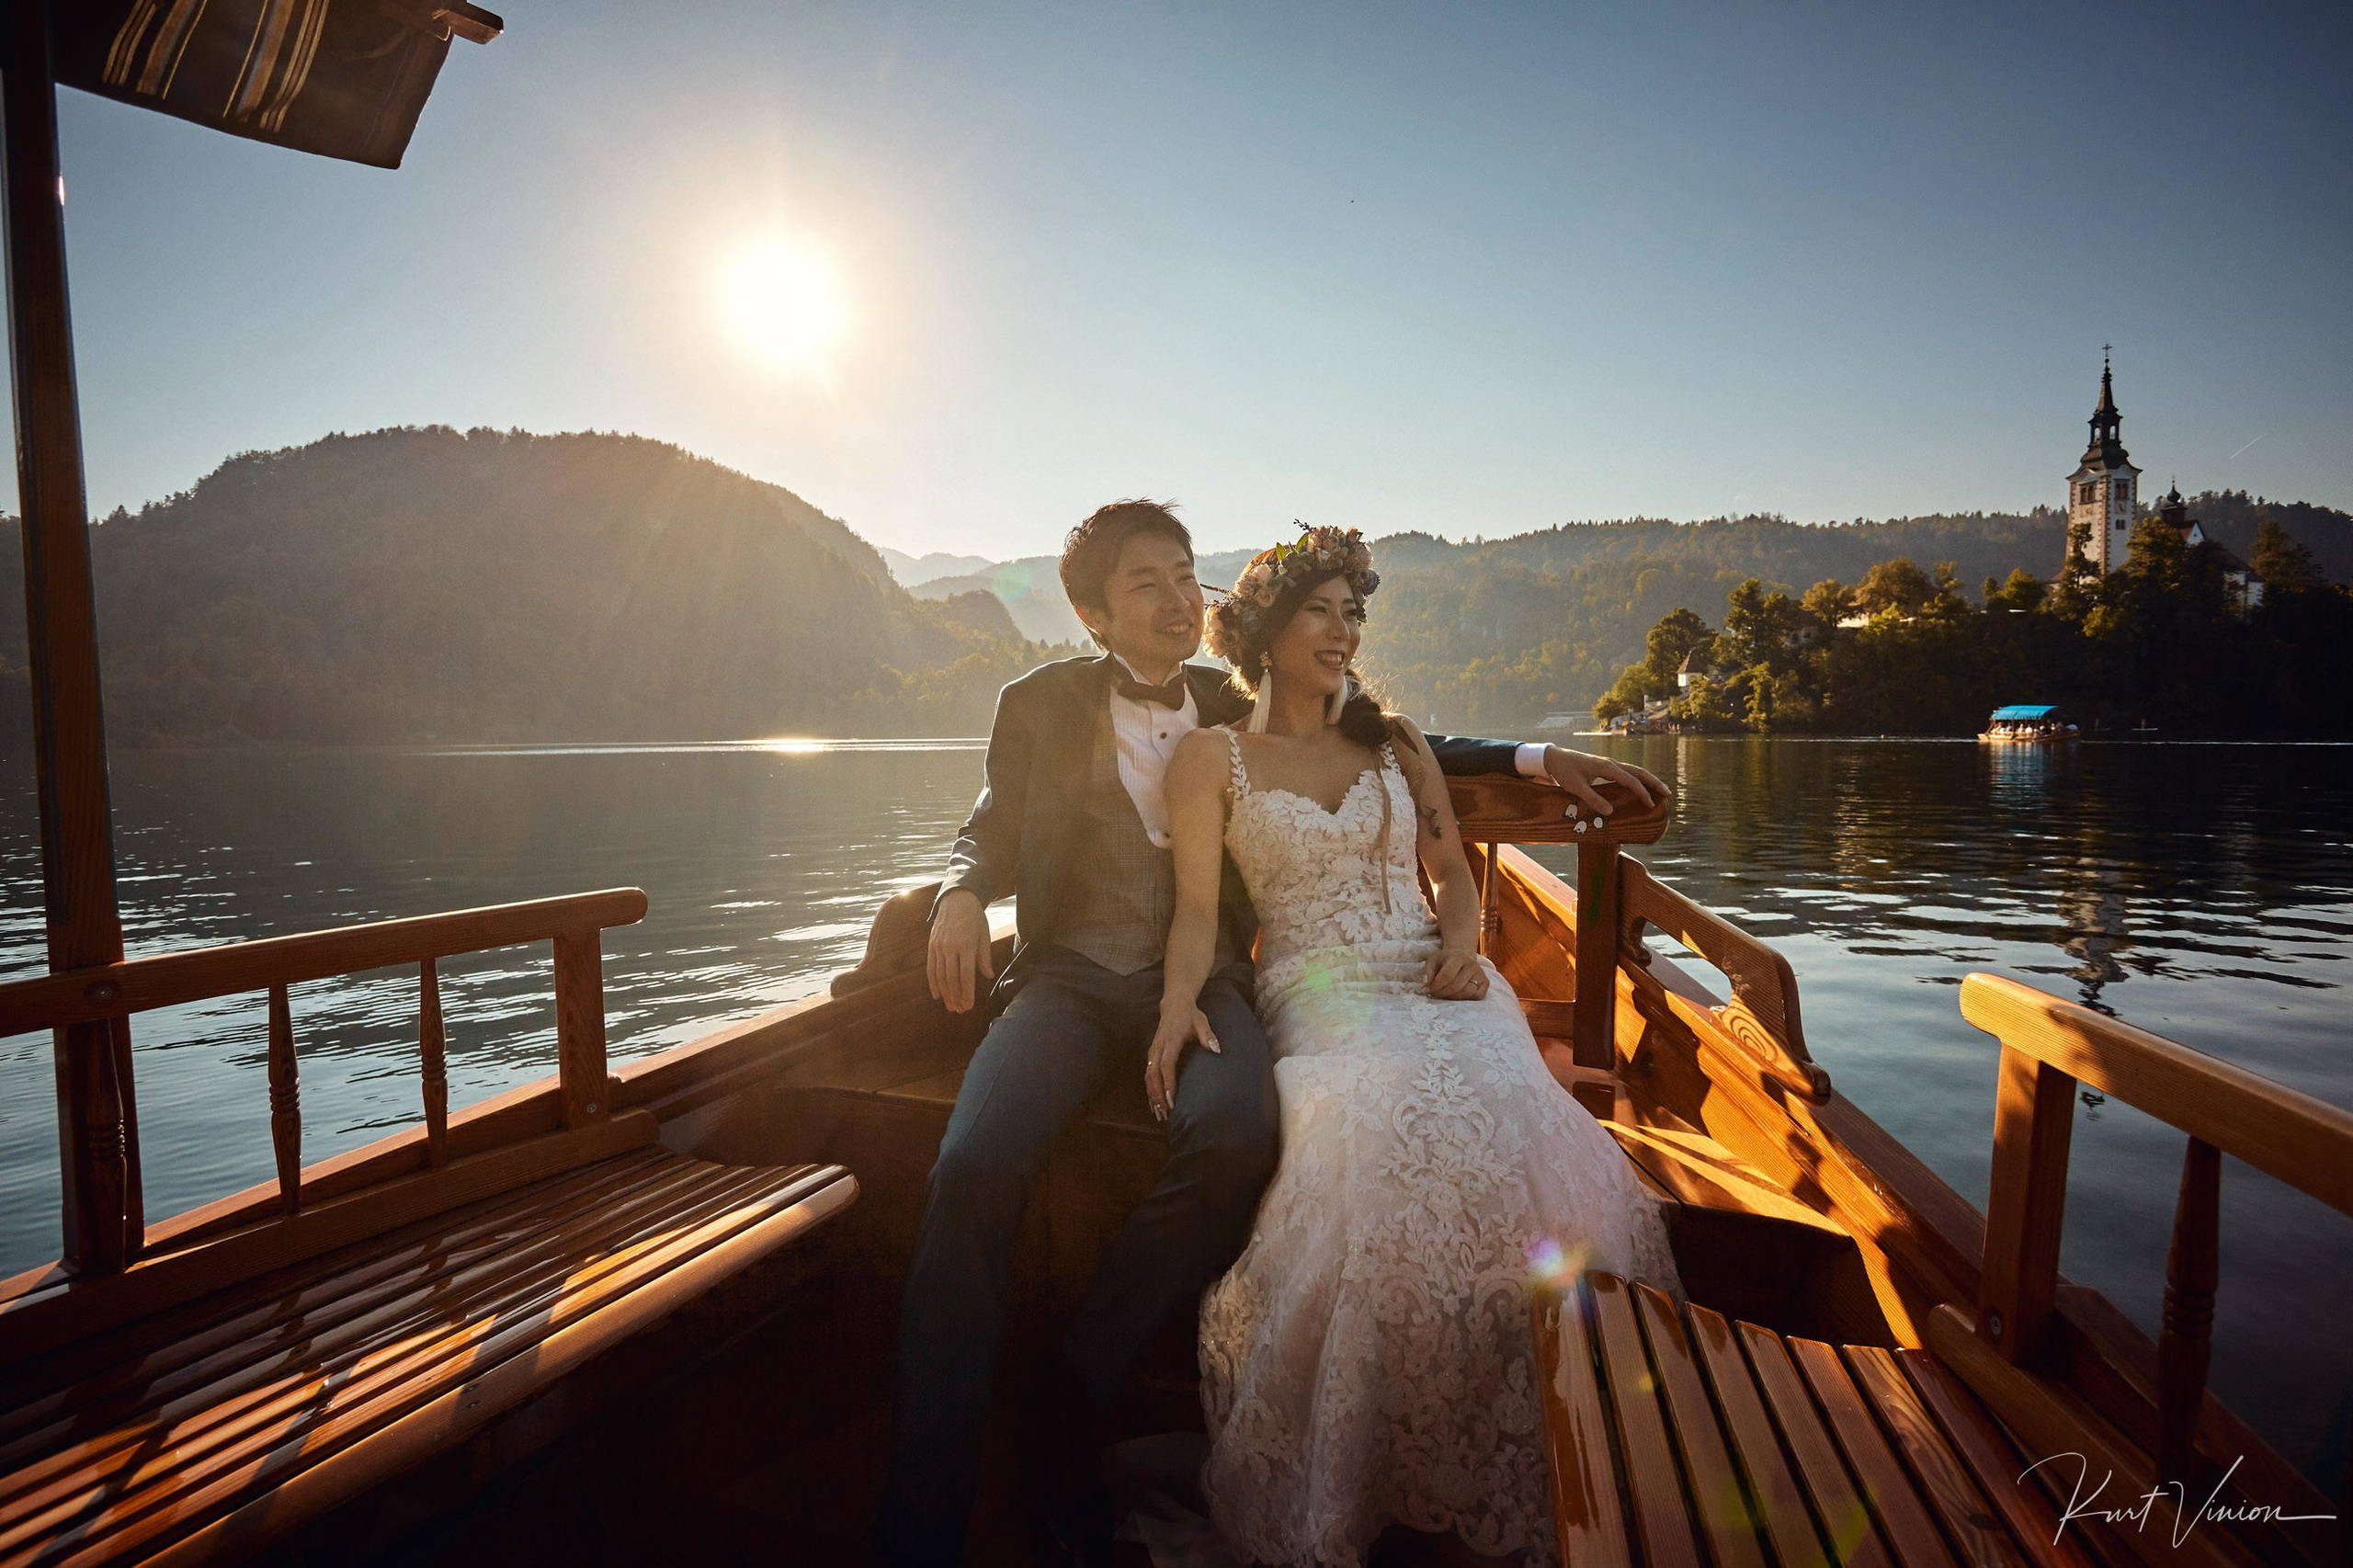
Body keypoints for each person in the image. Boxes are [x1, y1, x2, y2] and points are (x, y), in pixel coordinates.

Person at [875, 501, 1665, 1568]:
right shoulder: (1040, 701)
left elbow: (1370, 731)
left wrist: (1530, 755)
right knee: (971, 1160)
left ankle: (1074, 1387)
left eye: (1185, 576)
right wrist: (965, 891)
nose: (1175, 600)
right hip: (1068, 980)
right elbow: (988, 821)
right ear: (1092, 613)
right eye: (1145, 583)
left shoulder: (1225, 695)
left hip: (1208, 987)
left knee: (1238, 1134)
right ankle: (924, 1507)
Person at [1155, 527, 1680, 1567]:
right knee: (1379, 1136)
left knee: (1506, 1114)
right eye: (1323, 608)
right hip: (1316, 985)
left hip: (1436, 978)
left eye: (1356, 612)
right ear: (1265, 625)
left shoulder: (1395, 741)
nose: (1345, 630)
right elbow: (1190, 914)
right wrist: (1176, 1006)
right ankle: (1379, 1455)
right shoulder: (1209, 757)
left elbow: (1453, 873)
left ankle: (1542, 1428)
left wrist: (1460, 949)